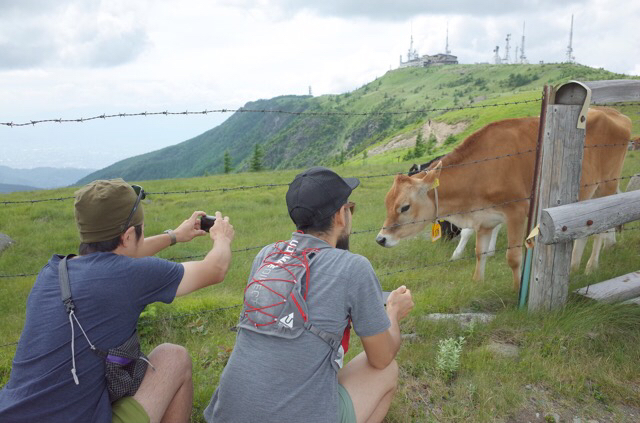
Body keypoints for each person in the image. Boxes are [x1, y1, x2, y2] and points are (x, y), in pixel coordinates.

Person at [0, 178, 235, 423]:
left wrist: (174, 236)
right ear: (128, 235)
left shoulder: (53, 272)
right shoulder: (131, 276)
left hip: (12, 412)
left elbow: (116, 258)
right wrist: (221, 238)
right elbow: (215, 268)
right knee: (173, 357)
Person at [204, 166, 414, 423]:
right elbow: (380, 358)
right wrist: (393, 311)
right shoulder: (353, 267)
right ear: (340, 216)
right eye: (350, 208)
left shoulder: (266, 255)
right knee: (386, 371)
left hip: (225, 414)